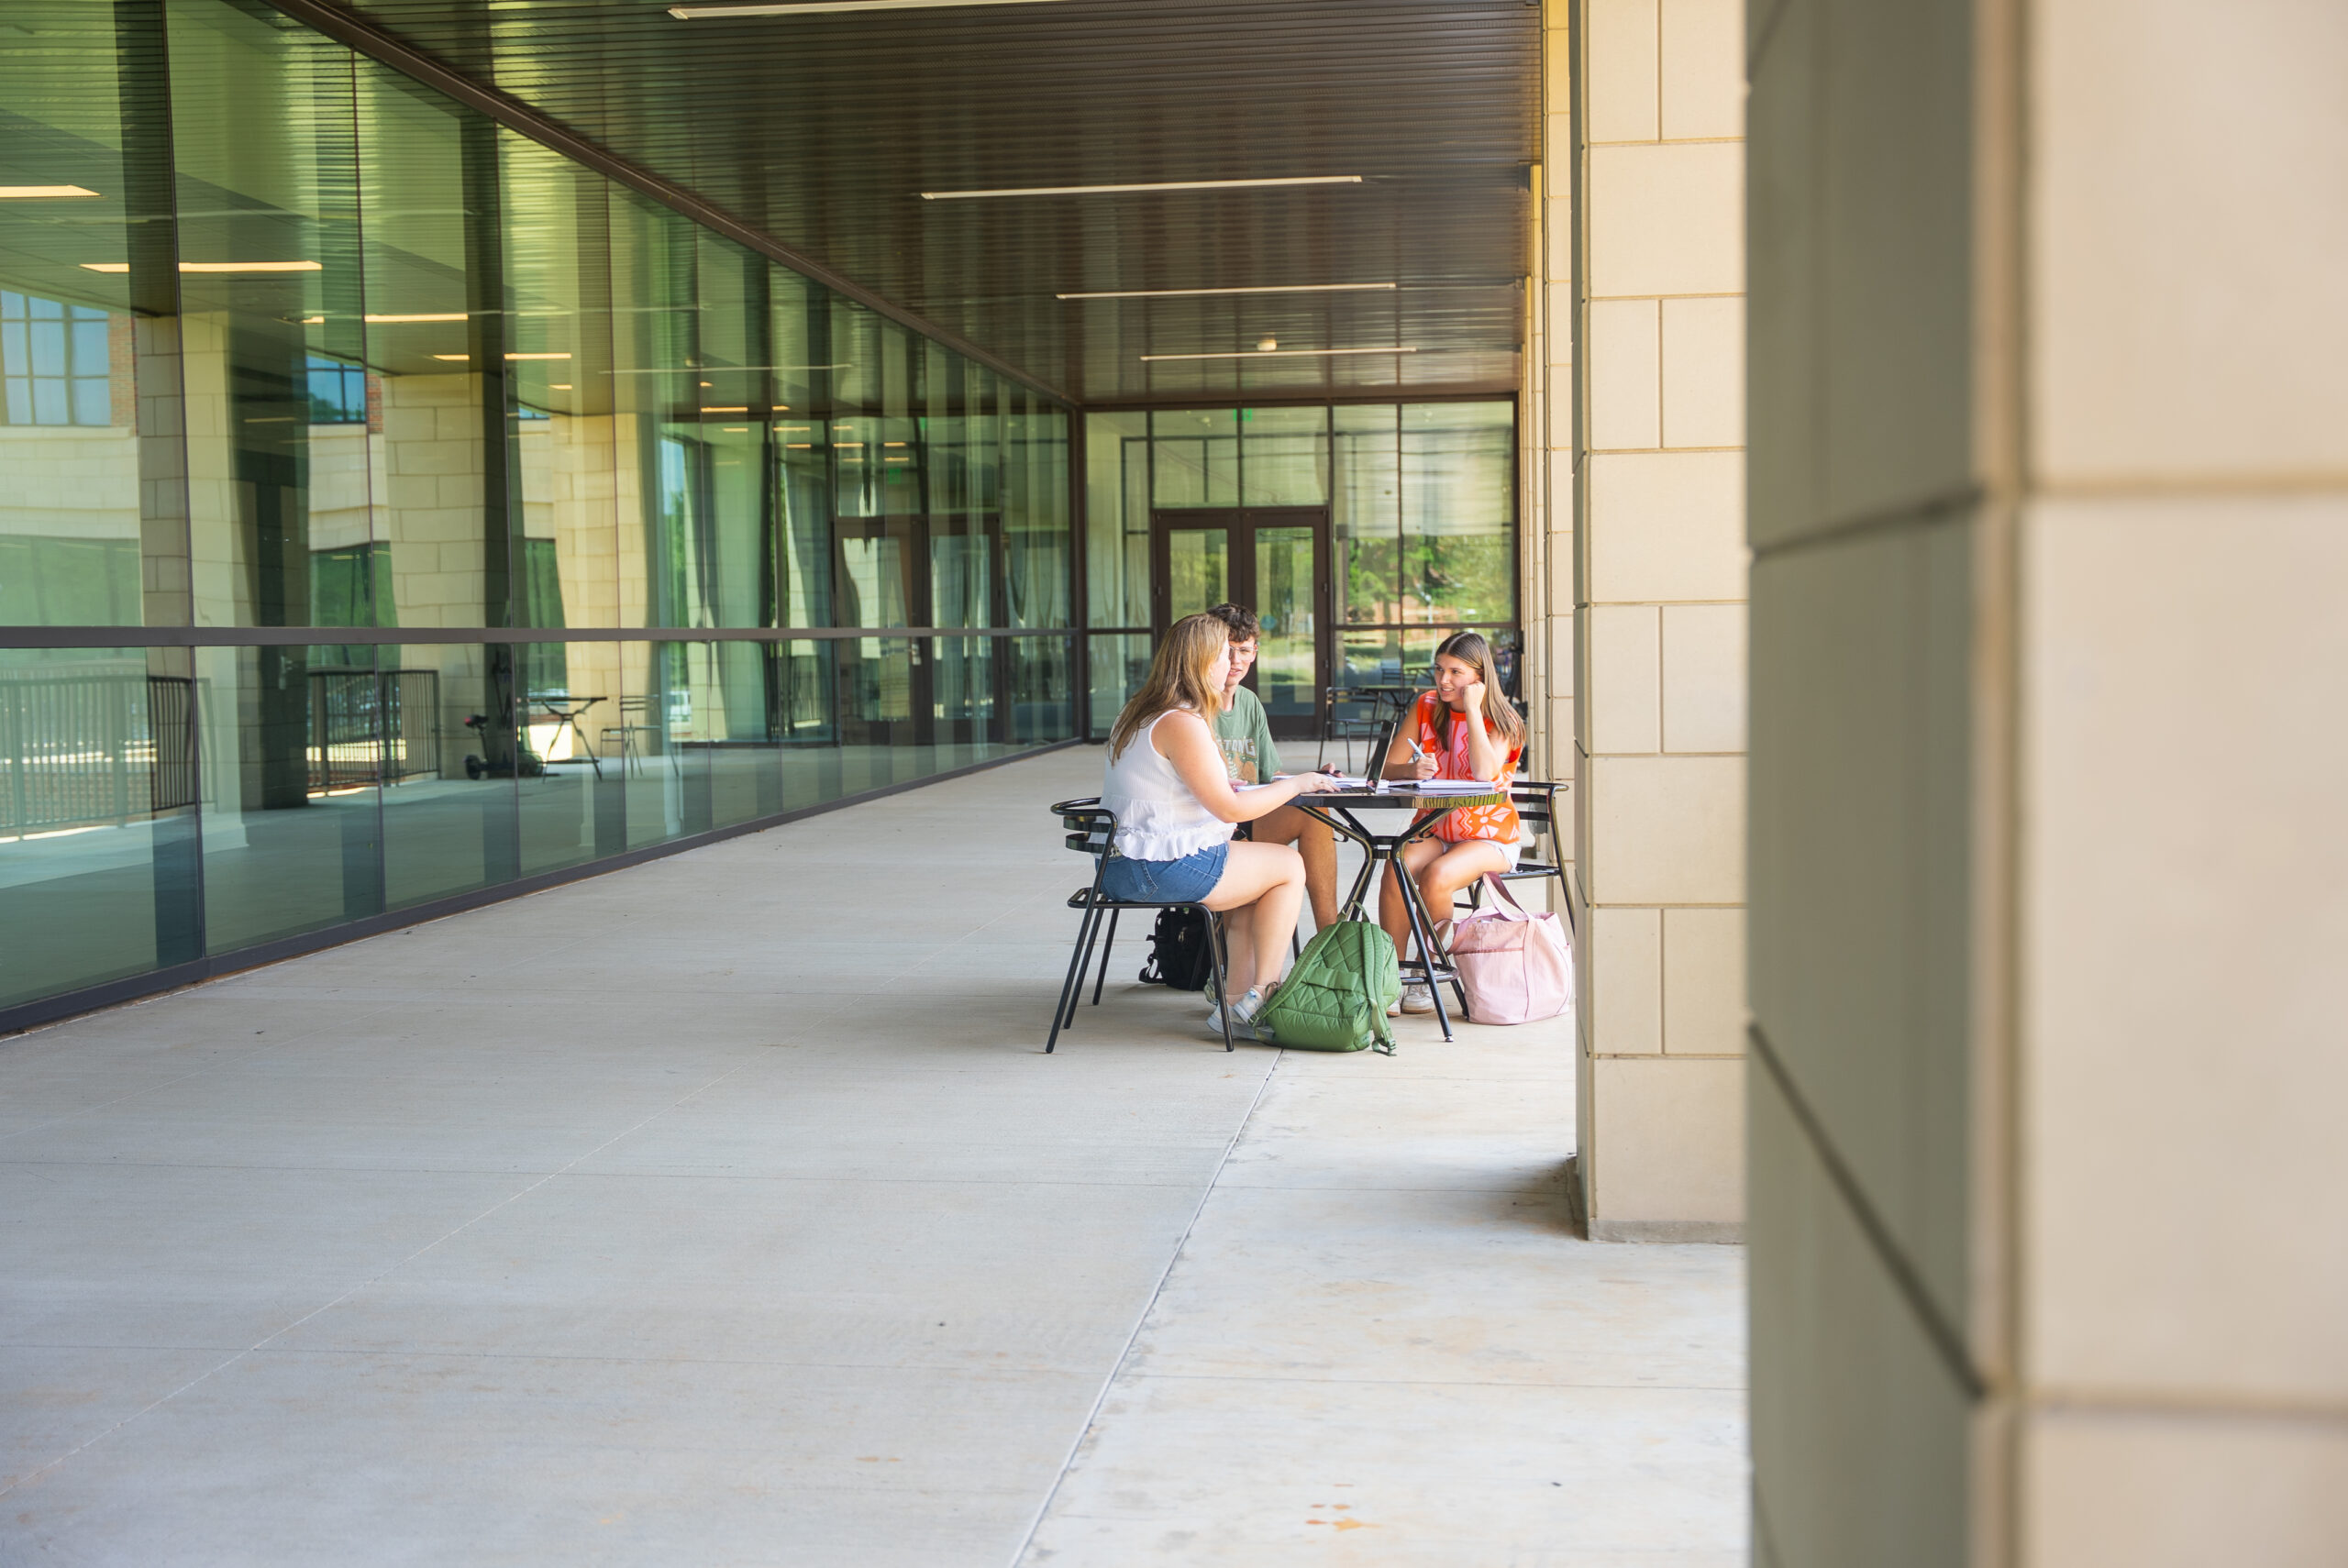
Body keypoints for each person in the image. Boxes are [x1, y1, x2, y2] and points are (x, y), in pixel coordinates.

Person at [1100, 613, 1343, 1041]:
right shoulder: (1182, 722)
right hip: (1160, 870)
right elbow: (1231, 810)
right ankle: (1264, 992)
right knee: (1288, 867)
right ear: (1200, 661)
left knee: (1256, 882)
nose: (1228, 664)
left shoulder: (1138, 712)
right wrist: (1302, 783)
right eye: (1221, 655)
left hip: (1120, 866)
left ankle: (1235, 1008)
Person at [1376, 630, 1527, 1015]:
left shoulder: (1505, 719)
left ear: (1479, 676)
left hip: (1489, 836)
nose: (1443, 680)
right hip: (1437, 827)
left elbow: (1483, 773)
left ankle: (1428, 973)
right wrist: (1413, 768)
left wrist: (1474, 710)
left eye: (1456, 672)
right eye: (1439, 669)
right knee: (1396, 865)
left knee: (1438, 875)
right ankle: (1391, 976)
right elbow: (1386, 769)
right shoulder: (1426, 705)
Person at [1202, 602, 1341, 932]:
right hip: (1211, 825)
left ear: (1255, 652)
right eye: (1228, 651)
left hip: (1249, 816)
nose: (1235, 661)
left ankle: (1329, 937)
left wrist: (1310, 779)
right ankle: (1229, 954)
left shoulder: (1248, 702)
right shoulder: (1194, 705)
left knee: (1316, 812)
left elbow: (1269, 776)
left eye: (1244, 650)